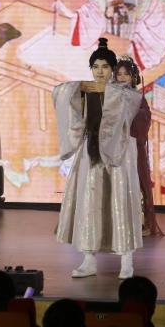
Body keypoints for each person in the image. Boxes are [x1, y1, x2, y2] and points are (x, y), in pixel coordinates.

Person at [53, 39, 143, 279]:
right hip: (90, 151)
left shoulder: (124, 94)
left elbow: (131, 105)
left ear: (112, 69)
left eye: (105, 66)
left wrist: (104, 91)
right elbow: (61, 94)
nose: (100, 71)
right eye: (96, 67)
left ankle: (127, 261)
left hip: (118, 153)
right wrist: (76, 88)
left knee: (120, 201)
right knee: (90, 201)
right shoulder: (85, 89)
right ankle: (89, 259)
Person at [115, 55, 163, 237]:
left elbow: (145, 118)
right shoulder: (111, 95)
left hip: (133, 148)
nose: (122, 77)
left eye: (126, 74)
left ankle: (140, 224)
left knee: (137, 185)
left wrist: (134, 113)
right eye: (119, 74)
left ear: (133, 77)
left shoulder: (137, 97)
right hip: (116, 148)